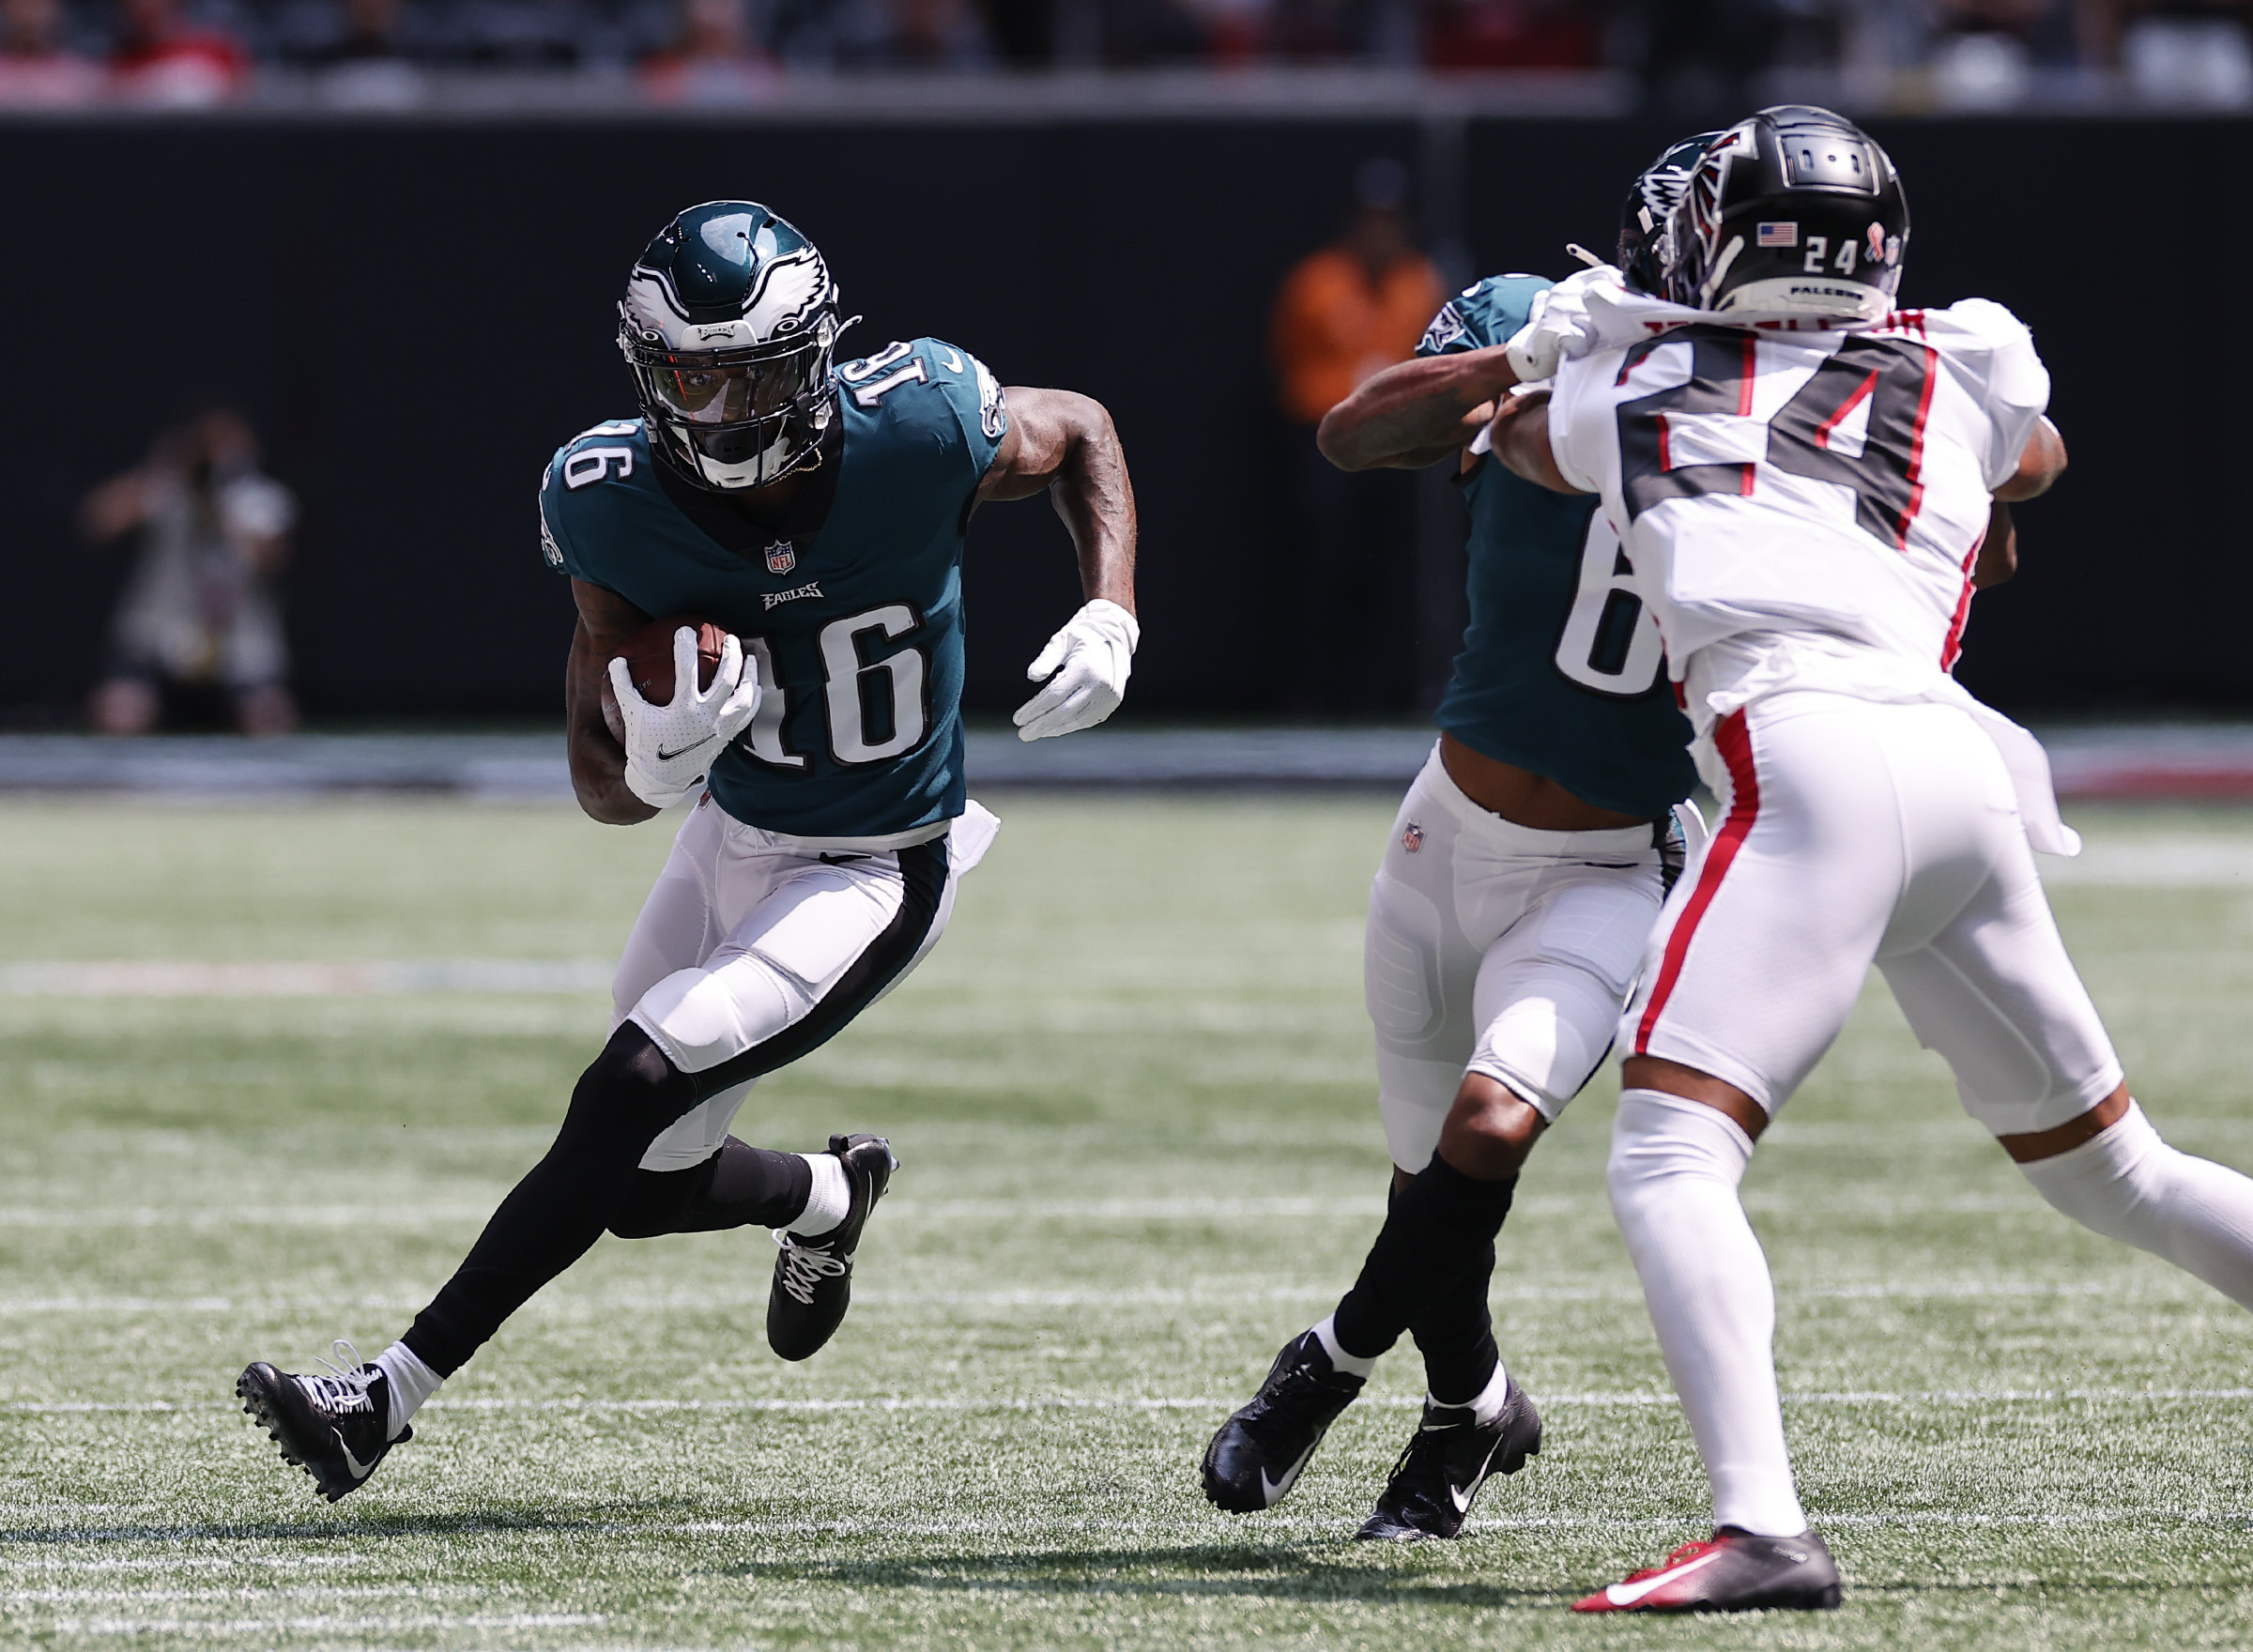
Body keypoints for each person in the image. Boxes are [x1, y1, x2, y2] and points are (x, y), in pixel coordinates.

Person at [237, 201, 1141, 1502]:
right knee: (639, 1181)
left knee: (626, 1088)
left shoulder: (924, 419)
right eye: (689, 374)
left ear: (818, 355)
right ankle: (828, 1196)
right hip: (732, 835)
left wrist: (1110, 610)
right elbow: (598, 787)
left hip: (876, 866)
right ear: (644, 368)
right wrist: (652, 763)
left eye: (754, 371)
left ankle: (384, 1397)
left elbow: (1088, 430)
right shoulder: (606, 499)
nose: (719, 409)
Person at [1492, 104, 2253, 1612]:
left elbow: (1508, 445)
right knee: (2120, 1170)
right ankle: (1754, 1523)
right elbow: (2035, 455)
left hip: (1806, 758)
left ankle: (1762, 1527)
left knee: (1668, 1153)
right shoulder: (1960, 369)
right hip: (1960, 770)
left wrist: (1548, 346)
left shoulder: (1632, 377)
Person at [1199, 138, 1712, 1542]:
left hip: (1610, 860)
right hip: (1448, 830)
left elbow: (1997, 493)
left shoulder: (1789, 399)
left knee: (1485, 1132)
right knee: (1428, 1171)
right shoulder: (1530, 323)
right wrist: (1518, 364)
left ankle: (1330, 1361)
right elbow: (1354, 431)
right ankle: (1469, 1414)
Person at [1267, 160, 1443, 714]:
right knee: (1322, 566)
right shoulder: (1317, 281)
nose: (1380, 232)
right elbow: (1288, 360)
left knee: (1397, 567)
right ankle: (1312, 692)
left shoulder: (1420, 281)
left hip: (1401, 447)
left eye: (1391, 220)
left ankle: (1389, 691)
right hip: (1325, 444)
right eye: (1371, 219)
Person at [80, 407, 299, 738]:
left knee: (271, 717)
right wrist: (162, 471)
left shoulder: (260, 500)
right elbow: (99, 520)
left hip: (238, 647)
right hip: (158, 640)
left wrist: (223, 507)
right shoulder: (166, 491)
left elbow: (271, 562)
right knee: (120, 709)